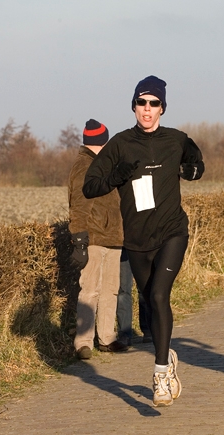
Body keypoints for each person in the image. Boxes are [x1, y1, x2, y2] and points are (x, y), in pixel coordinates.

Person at [83, 75, 204, 407]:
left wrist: (192, 171)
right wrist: (117, 176)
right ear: (134, 106)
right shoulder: (120, 144)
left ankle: (160, 374)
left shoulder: (176, 139)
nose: (147, 109)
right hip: (137, 239)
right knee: (151, 302)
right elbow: (89, 186)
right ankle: (168, 355)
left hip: (172, 232)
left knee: (159, 293)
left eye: (154, 103)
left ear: (162, 108)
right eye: (141, 102)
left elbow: (197, 164)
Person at [68, 119, 129, 359]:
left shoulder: (104, 166)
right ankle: (83, 342)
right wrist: (80, 239)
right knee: (90, 290)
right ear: (101, 142)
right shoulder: (85, 166)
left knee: (110, 290)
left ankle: (107, 337)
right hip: (93, 237)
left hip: (113, 237)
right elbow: (79, 207)